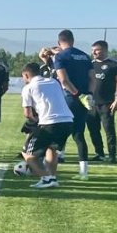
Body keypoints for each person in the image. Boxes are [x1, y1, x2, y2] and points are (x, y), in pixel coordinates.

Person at [19, 61, 76, 189]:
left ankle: (46, 178)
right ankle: (52, 177)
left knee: (27, 153)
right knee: (52, 148)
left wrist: (33, 123)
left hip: (49, 123)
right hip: (67, 121)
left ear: (26, 75)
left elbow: (28, 114)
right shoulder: (54, 82)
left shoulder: (28, 88)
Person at [51, 29, 95, 178]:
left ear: (59, 42)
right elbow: (92, 79)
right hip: (84, 100)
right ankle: (84, 173)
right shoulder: (84, 56)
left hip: (69, 98)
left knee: (59, 134)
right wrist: (88, 95)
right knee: (78, 134)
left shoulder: (60, 56)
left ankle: (49, 171)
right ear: (73, 40)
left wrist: (77, 94)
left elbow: (63, 80)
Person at [87, 40, 117, 162]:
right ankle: (99, 153)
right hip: (92, 103)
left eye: (96, 50)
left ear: (104, 50)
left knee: (109, 129)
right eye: (92, 50)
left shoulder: (114, 64)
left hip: (107, 103)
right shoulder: (89, 64)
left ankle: (112, 155)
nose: (93, 52)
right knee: (93, 130)